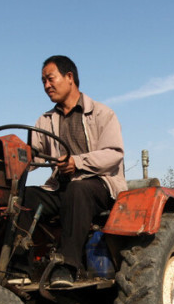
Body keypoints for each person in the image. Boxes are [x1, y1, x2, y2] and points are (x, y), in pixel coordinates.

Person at [20, 55, 126, 288]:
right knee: (25, 197)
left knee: (78, 189)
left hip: (99, 185)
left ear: (69, 78)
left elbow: (114, 154)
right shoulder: (45, 120)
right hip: (62, 187)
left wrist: (76, 163)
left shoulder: (102, 113)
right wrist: (20, 157)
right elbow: (36, 155)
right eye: (43, 82)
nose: (47, 86)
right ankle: (21, 267)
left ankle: (68, 265)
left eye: (50, 79)